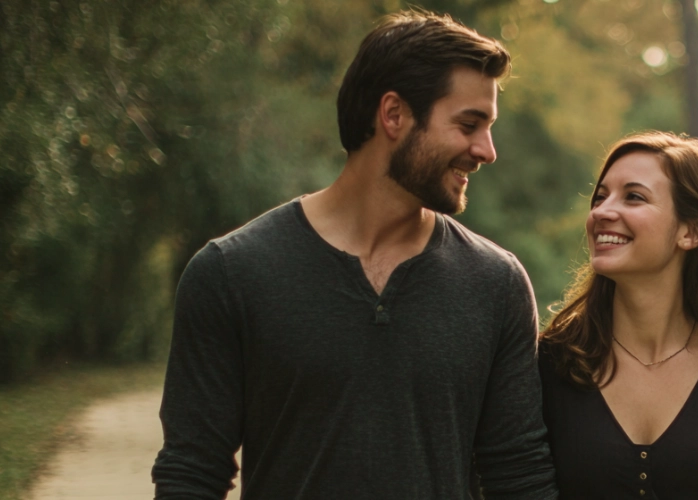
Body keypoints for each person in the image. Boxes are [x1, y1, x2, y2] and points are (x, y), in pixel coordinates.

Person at [152, 11, 557, 499]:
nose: (487, 150)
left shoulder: (496, 283)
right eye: (469, 124)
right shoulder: (231, 272)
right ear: (394, 115)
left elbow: (519, 475)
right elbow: (191, 473)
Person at [538, 132, 698, 499]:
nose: (601, 212)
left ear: (691, 232)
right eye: (601, 197)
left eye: (634, 197)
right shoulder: (553, 359)